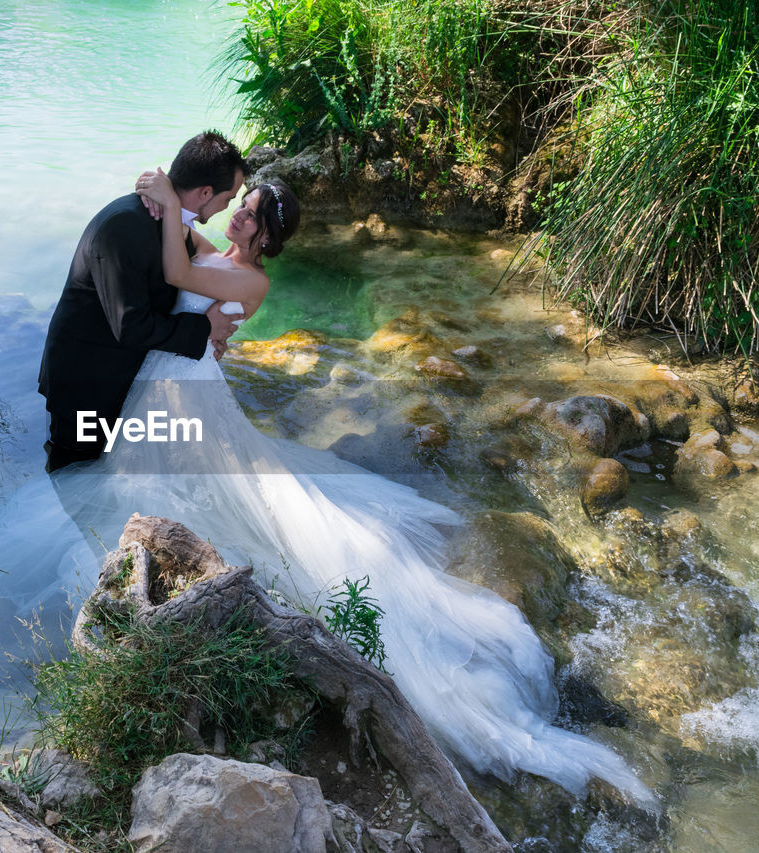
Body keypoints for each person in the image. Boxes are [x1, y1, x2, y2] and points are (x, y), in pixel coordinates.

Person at [43, 169, 657, 806]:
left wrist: (169, 203)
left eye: (249, 214)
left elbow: (174, 272)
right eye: (240, 206)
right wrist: (168, 204)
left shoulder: (249, 279)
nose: (239, 218)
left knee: (225, 498)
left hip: (183, 390)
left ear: (267, 238)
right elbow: (187, 245)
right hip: (173, 385)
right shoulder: (223, 256)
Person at [37, 131, 250, 472]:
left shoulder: (171, 220)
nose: (228, 207)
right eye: (229, 198)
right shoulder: (124, 225)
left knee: (109, 472)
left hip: (120, 373)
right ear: (206, 192)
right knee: (73, 473)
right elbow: (130, 325)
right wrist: (202, 328)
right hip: (86, 382)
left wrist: (209, 341)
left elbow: (203, 268)